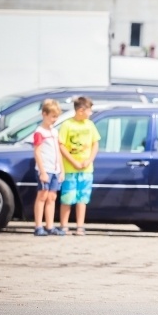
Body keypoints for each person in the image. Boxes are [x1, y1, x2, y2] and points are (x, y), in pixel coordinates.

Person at [59, 96, 100, 236]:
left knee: (82, 198)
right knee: (67, 197)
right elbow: (61, 145)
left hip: (86, 169)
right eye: (90, 110)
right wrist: (73, 162)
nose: (91, 113)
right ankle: (64, 226)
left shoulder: (90, 125)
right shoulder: (67, 125)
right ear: (81, 110)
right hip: (70, 169)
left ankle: (80, 226)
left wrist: (89, 160)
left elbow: (95, 143)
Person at [32, 99, 64, 236]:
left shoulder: (55, 132)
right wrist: (42, 171)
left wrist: (61, 169)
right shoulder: (40, 132)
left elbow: (58, 150)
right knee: (42, 196)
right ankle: (38, 225)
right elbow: (37, 152)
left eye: (56, 117)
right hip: (45, 169)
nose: (54, 120)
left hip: (55, 169)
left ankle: (49, 226)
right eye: (52, 116)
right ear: (44, 114)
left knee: (52, 197)